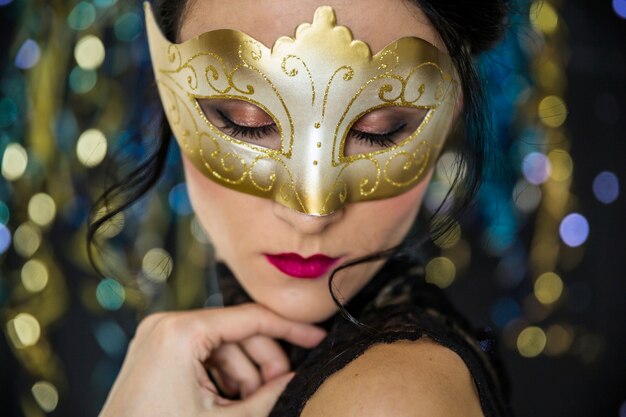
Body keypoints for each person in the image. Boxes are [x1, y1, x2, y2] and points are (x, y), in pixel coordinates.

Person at [96, 0, 512, 415]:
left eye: (379, 132)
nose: (311, 214)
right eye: (246, 122)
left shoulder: (388, 400)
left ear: (454, 104)